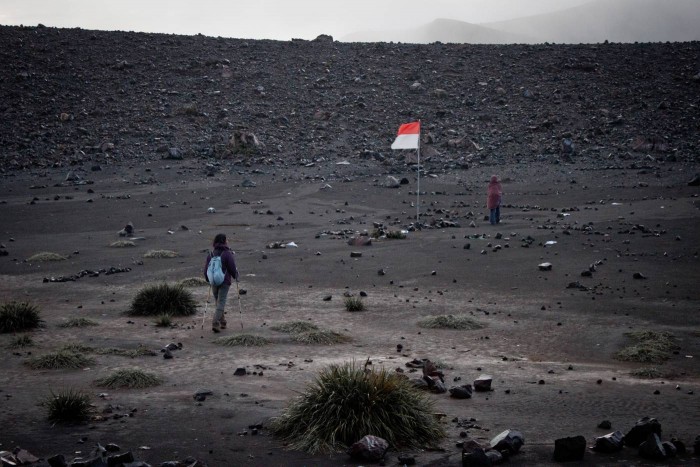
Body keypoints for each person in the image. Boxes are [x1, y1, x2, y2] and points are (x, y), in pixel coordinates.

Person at [203, 233, 239, 332]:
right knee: (221, 302)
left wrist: (207, 278)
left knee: (218, 301)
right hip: (224, 281)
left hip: (213, 281)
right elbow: (232, 267)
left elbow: (206, 268)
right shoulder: (227, 253)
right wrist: (235, 275)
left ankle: (223, 322)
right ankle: (215, 322)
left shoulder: (211, 254)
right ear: (224, 241)